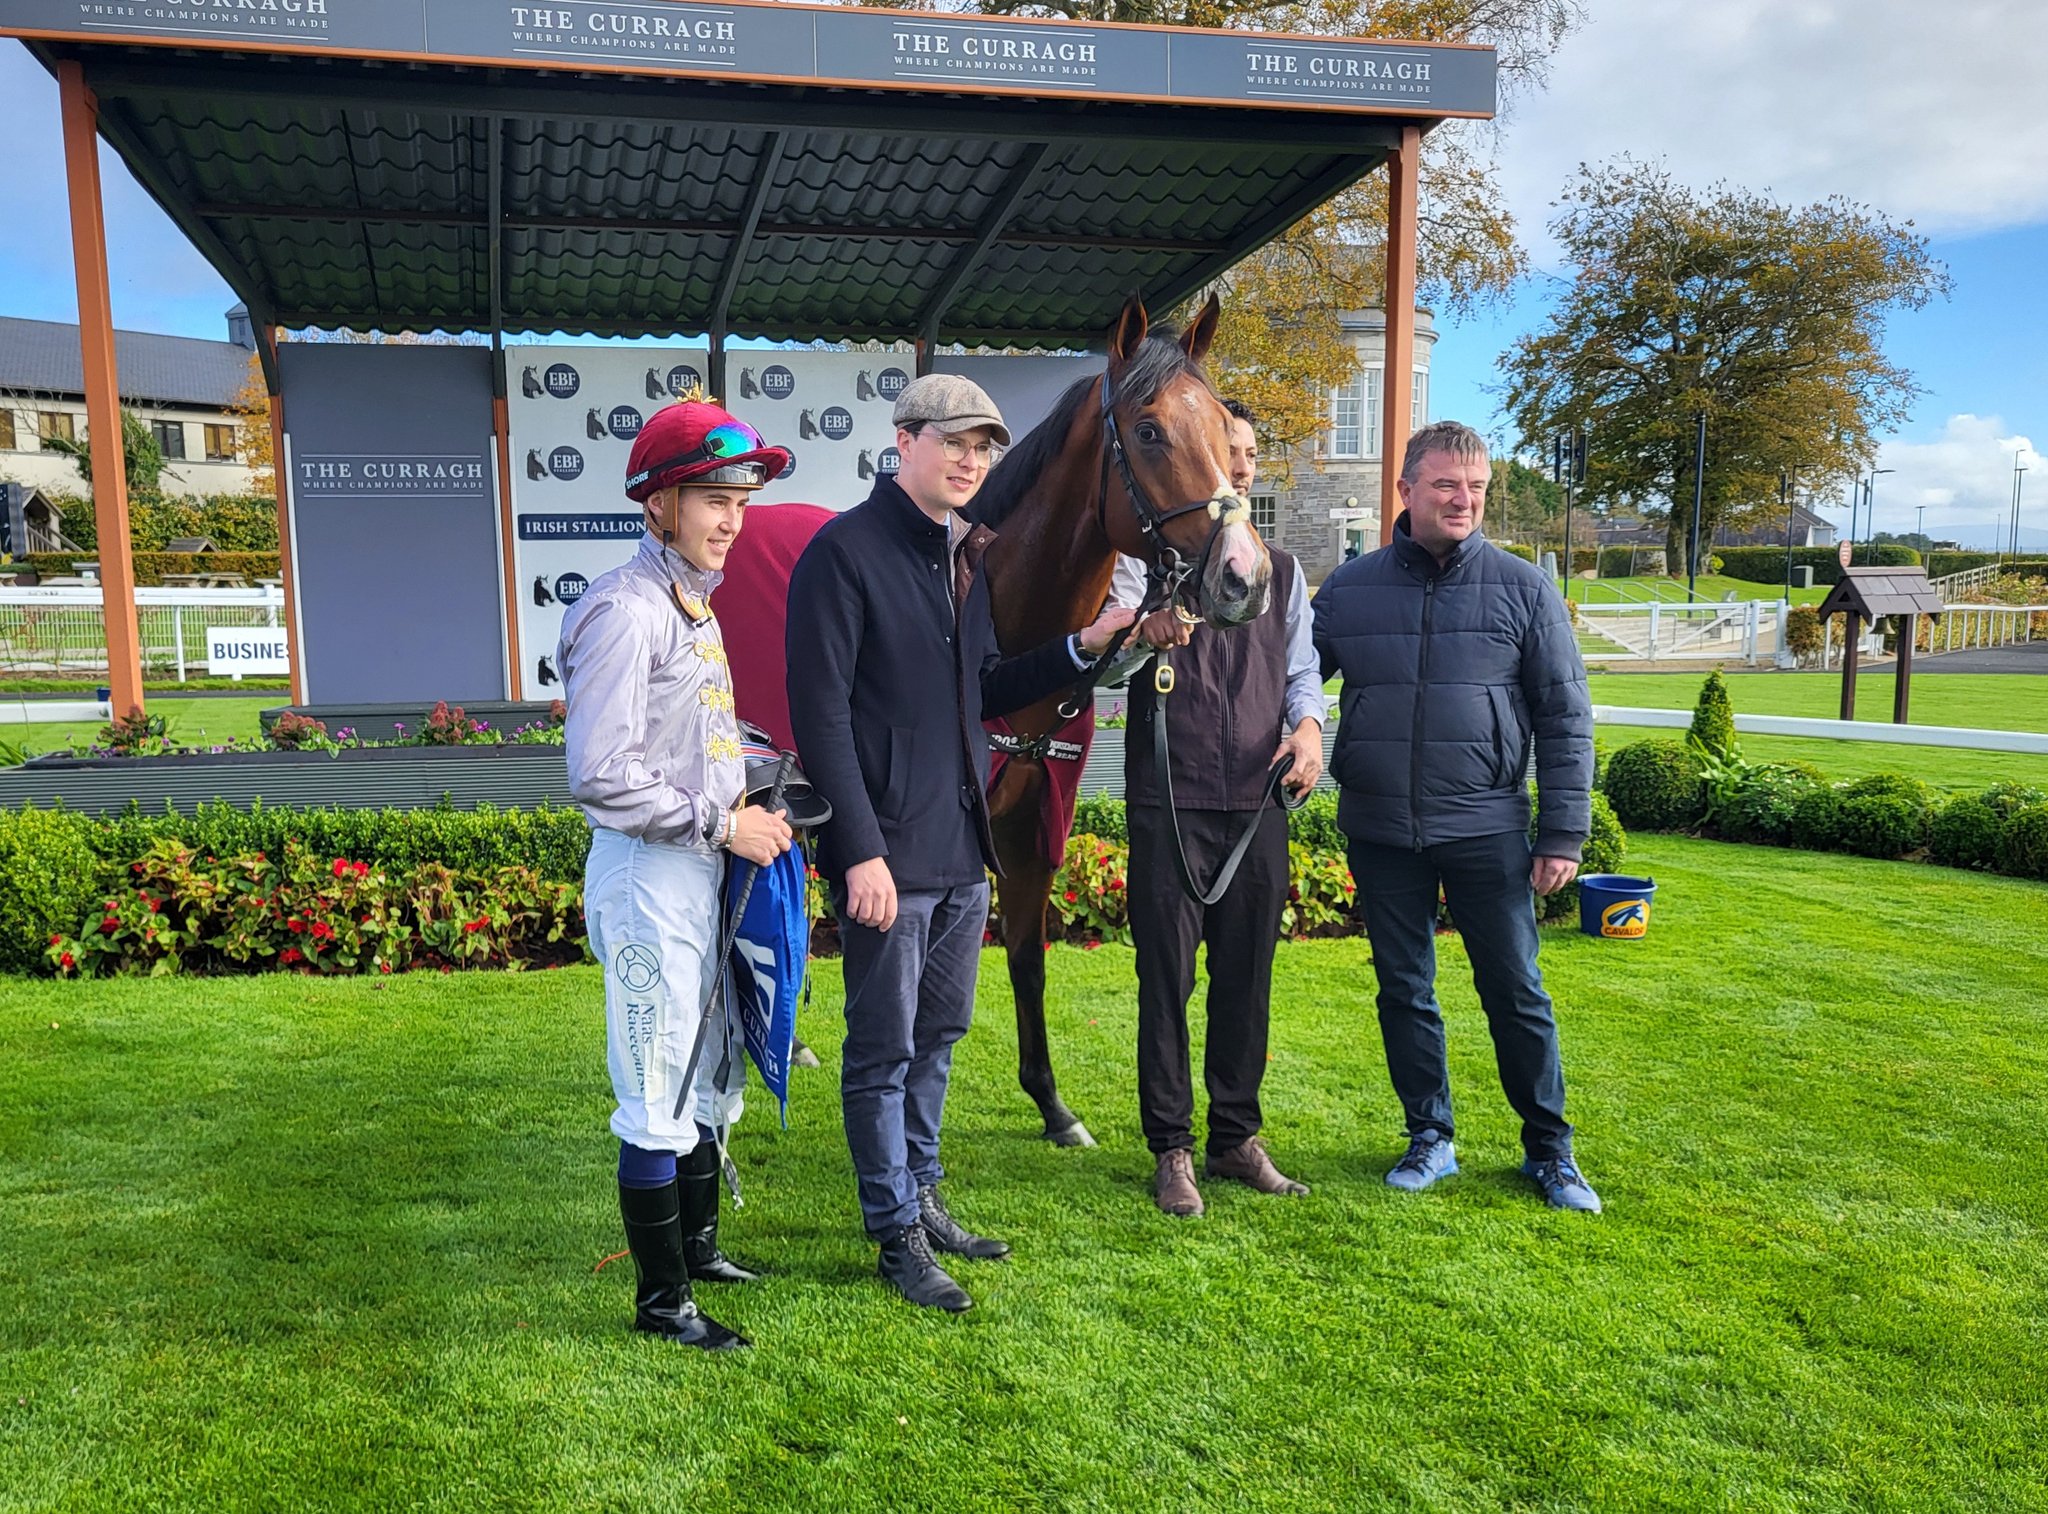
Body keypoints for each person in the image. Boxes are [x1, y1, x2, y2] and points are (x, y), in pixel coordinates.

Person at [787, 374, 1135, 1312]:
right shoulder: (842, 555)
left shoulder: (960, 561)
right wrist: (856, 850)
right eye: (956, 442)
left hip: (959, 849)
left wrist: (1085, 642)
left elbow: (985, 683)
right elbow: (819, 720)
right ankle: (893, 1231)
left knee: (937, 1034)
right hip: (887, 858)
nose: (973, 459)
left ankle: (924, 1196)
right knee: (881, 1049)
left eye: (984, 446)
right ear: (904, 441)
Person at [1312, 420, 1601, 1212]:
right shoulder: (1348, 590)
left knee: (1516, 991)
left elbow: (1565, 718)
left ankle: (1550, 1150)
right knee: (1404, 989)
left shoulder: (1523, 588)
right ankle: (1429, 1137)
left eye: (1475, 487)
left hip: (1487, 827)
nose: (1463, 500)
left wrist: (1563, 832)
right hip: (1380, 829)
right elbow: (1291, 681)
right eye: (1446, 485)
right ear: (1404, 491)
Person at [560, 399, 797, 1353]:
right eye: (710, 496)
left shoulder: (690, 603)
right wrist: (719, 819)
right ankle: (663, 1304)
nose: (732, 516)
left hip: (700, 872)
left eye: (739, 497)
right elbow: (602, 774)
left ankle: (697, 1253)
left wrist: (762, 780)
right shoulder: (625, 610)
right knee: (654, 1085)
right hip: (648, 875)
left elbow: (687, 742)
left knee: (707, 1067)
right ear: (657, 503)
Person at [1106, 398, 1325, 1217]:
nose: (1239, 464)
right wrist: (1140, 635)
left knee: (1247, 980)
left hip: (1258, 800)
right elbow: (1101, 668)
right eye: (1225, 449)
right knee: (1164, 984)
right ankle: (1172, 1150)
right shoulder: (1144, 567)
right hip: (1171, 799)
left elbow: (1303, 672)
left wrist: (1307, 730)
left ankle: (1235, 1138)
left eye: (1250, 453)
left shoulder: (1287, 572)